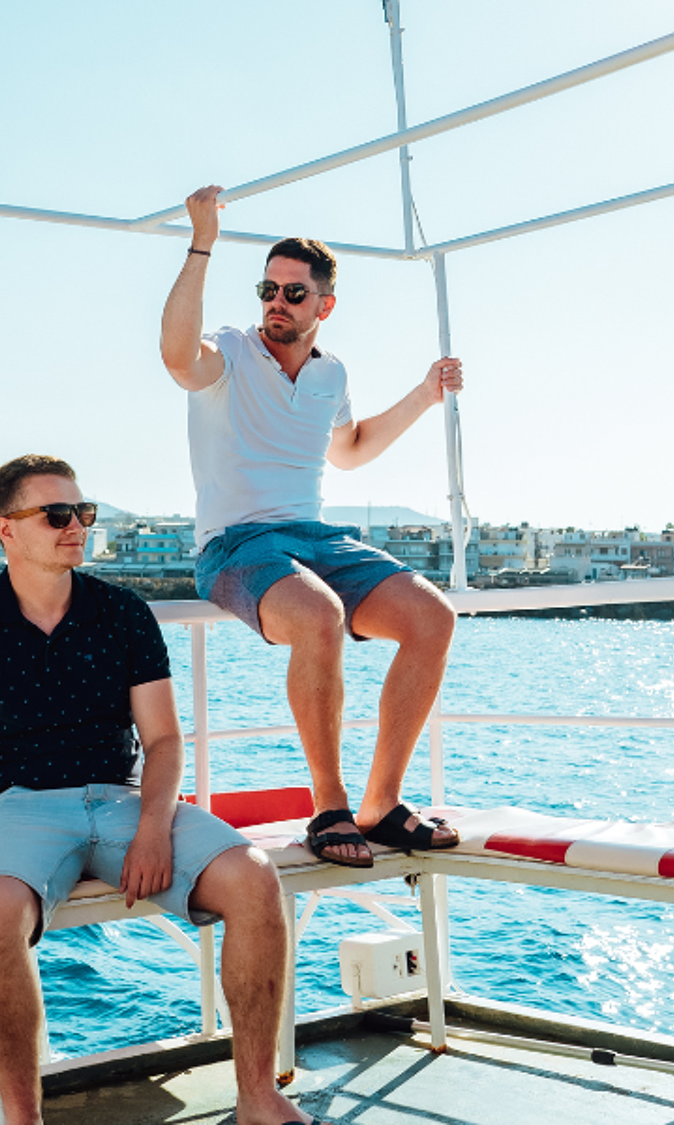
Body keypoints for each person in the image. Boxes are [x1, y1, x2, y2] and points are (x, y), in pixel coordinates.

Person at [0, 454, 316, 1125]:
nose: (77, 526)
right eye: (57, 514)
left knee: (254, 877)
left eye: (84, 512)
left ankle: (257, 1097)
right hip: (17, 809)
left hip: (124, 800)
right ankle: (22, 1115)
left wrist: (156, 824)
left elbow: (162, 740)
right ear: (5, 530)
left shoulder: (122, 613)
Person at [160, 185, 464, 867]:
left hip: (314, 538)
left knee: (432, 618)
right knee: (320, 615)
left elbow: (350, 448)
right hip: (235, 543)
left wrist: (425, 392)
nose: (276, 301)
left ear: (324, 306)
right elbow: (178, 356)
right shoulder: (230, 353)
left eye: (294, 293)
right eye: (268, 288)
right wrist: (202, 241)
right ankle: (328, 806)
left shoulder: (331, 375)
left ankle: (380, 803)